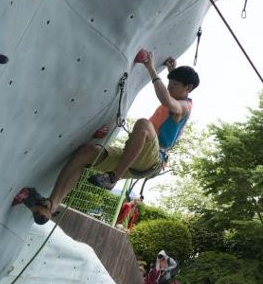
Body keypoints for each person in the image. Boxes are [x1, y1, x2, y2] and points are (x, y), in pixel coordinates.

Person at [19, 52, 199, 223]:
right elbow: (172, 94)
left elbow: (167, 101)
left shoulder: (185, 107)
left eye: (173, 84)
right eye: (169, 84)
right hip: (139, 157)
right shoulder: (180, 94)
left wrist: (151, 68)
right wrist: (171, 71)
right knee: (87, 152)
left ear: (188, 88)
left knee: (144, 124)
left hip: (154, 159)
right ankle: (51, 204)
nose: (169, 87)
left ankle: (114, 177)